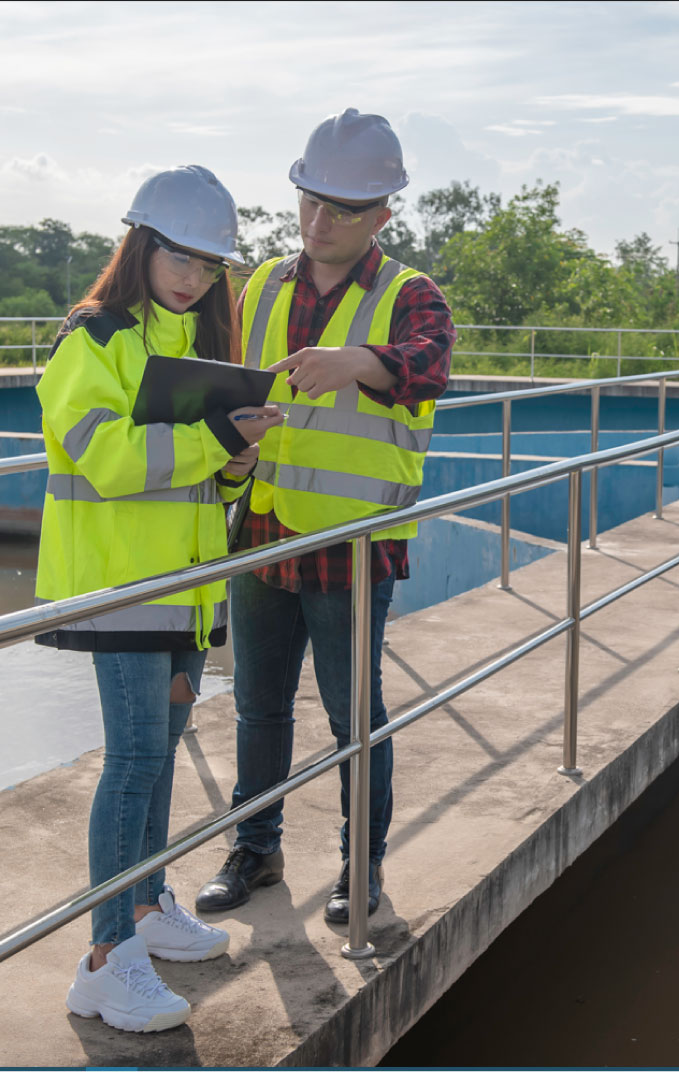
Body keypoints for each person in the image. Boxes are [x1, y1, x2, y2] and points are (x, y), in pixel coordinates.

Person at [34, 165, 282, 1032]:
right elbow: (104, 462)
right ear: (142, 243)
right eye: (180, 256)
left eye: (211, 265)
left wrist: (234, 463)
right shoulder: (92, 336)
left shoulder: (181, 345)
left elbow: (189, 486)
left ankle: (144, 908)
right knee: (135, 761)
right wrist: (212, 437)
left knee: (162, 753)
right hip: (119, 593)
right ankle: (105, 959)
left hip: (182, 593)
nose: (194, 276)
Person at [195, 110, 454, 925]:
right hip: (262, 527)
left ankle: (359, 868)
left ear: (383, 213)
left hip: (351, 539)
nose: (318, 222)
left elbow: (432, 366)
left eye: (341, 208)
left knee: (353, 719)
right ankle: (255, 848)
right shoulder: (262, 284)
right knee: (258, 705)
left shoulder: (410, 295)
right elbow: (222, 377)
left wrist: (364, 362)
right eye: (310, 201)